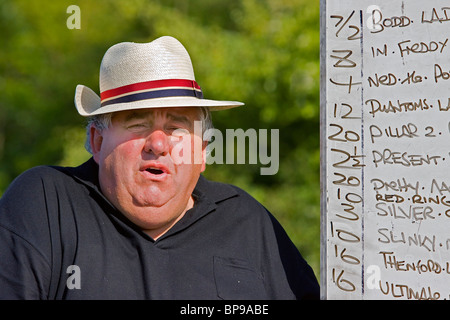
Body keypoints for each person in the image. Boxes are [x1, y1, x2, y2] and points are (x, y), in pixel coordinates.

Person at [0, 36, 319, 299]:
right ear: (97, 143)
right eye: (137, 123)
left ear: (203, 149)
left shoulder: (248, 223)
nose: (158, 143)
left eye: (177, 127)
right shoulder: (45, 205)